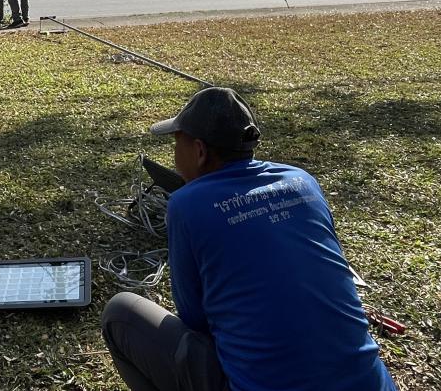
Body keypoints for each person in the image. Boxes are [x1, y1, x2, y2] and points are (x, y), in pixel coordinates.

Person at [101, 87, 397, 391]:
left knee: (118, 314)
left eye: (177, 143)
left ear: (200, 152)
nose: (175, 154)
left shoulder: (186, 204)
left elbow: (194, 319)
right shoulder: (303, 182)